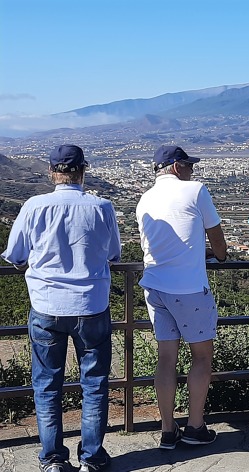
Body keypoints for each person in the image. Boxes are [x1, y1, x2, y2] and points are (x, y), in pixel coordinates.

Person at [2, 145, 121, 472]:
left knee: (46, 385)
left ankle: (53, 459)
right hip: (91, 306)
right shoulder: (102, 207)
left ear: (52, 172)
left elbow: (14, 254)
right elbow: (114, 254)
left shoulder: (33, 206)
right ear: (83, 170)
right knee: (95, 384)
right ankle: (92, 459)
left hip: (46, 306)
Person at [136, 145, 227, 449]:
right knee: (202, 356)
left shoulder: (144, 198)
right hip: (187, 288)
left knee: (166, 359)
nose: (192, 171)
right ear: (176, 166)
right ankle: (195, 426)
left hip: (154, 287)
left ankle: (166, 430)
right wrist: (219, 254)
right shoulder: (195, 191)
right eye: (189, 165)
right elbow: (216, 236)